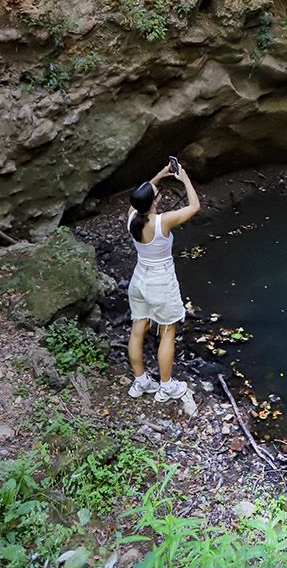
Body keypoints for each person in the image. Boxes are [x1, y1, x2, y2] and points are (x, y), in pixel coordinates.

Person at [126, 157, 200, 407]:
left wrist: (161, 174)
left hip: (139, 281)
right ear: (155, 201)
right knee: (167, 332)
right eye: (157, 194)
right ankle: (166, 386)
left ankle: (141, 381)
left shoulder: (132, 218)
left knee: (138, 328)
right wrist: (184, 177)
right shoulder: (162, 221)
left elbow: (145, 192)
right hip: (161, 283)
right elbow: (194, 206)